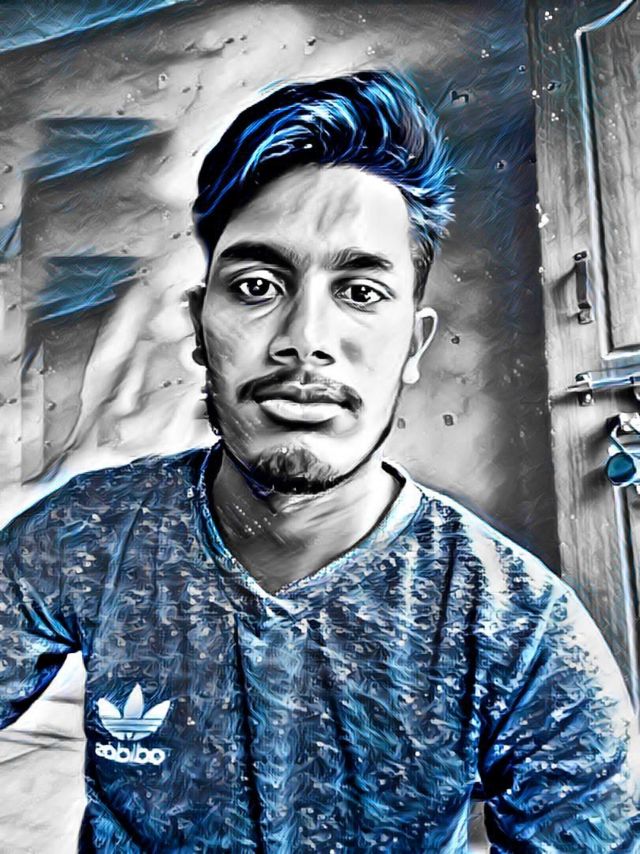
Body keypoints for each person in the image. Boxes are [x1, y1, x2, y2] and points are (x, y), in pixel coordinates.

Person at [0, 71, 638, 853]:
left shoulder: (519, 630)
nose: (306, 339)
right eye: (257, 285)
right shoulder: (88, 534)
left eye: (361, 292)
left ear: (413, 344)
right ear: (200, 327)